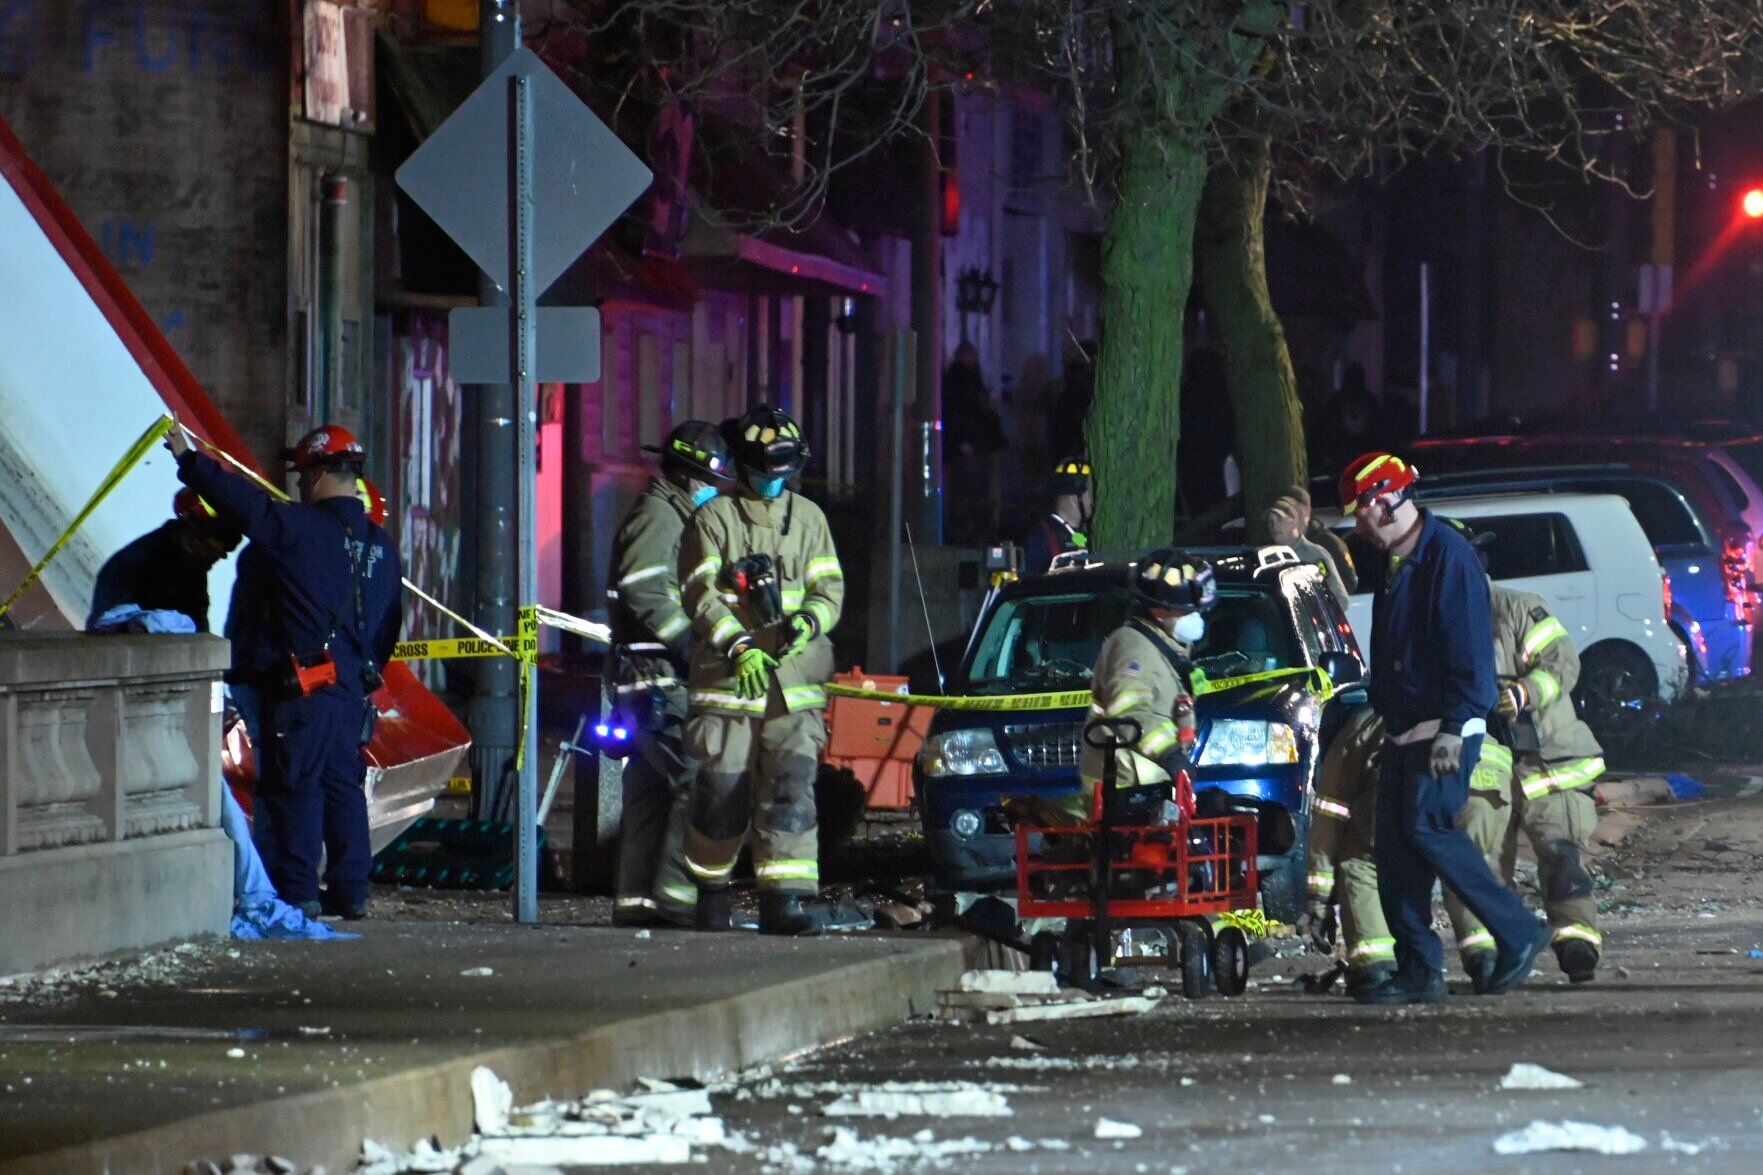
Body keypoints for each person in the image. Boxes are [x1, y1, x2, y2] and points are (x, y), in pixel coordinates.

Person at [168, 422, 403, 921]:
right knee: (344, 789)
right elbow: (388, 629)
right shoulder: (383, 548)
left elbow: (247, 505)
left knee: (295, 786)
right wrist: (359, 673)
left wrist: (191, 461)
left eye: (302, 473)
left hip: (304, 691)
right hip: (350, 692)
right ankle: (351, 891)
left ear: (318, 473)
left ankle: (297, 893)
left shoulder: (300, 530)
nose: (298, 483)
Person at [1339, 450, 1549, 1003]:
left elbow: (1470, 656)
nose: (1358, 525)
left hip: (1443, 731)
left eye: (1360, 513)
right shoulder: (1399, 561)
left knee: (1429, 830)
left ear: (1384, 502)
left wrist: (1456, 729)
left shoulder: (1447, 558)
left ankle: (1519, 929)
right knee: (1396, 852)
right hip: (1406, 730)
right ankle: (1418, 971)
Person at [679, 405, 845, 935]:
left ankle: (786, 901)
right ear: (745, 468)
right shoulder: (713, 520)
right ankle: (711, 894)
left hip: (795, 685)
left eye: (783, 475)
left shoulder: (811, 519)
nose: (774, 485)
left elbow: (830, 590)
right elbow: (699, 595)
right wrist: (740, 645)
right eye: (764, 474)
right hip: (731, 685)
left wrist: (807, 625)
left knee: (792, 790)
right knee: (721, 795)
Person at [1440, 519, 1608, 986]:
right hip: (1483, 770)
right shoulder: (1437, 625)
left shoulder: (1516, 608)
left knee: (1561, 860)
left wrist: (1526, 693)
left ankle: (1577, 945)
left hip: (1549, 762)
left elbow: (1561, 663)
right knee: (1476, 863)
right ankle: (1486, 955)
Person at [607, 420, 733, 928]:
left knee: (649, 789)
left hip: (642, 677)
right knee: (700, 778)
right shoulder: (660, 516)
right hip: (659, 674)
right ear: (686, 477)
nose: (712, 492)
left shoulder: (672, 513)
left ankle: (636, 902)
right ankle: (677, 900)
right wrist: (691, 643)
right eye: (708, 482)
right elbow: (643, 588)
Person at [1061, 550, 1215, 826]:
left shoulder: (1164, 644)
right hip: (1123, 780)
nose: (1196, 617)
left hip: (1144, 779)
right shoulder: (1134, 648)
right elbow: (1129, 711)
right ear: (1159, 609)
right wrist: (1170, 755)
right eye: (1188, 609)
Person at [1304, 707, 1397, 994]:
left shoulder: (1353, 733)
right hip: (1473, 787)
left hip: (1390, 801)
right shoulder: (1420, 706)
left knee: (1359, 862)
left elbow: (1327, 826)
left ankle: (1375, 968)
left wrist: (1319, 903)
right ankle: (1485, 954)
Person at [87, 489, 243, 632]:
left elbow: (197, 626)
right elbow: (108, 625)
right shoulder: (141, 563)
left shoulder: (190, 570)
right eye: (213, 551)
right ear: (193, 539)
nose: (221, 557)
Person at [942, 341, 1006, 543]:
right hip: (970, 447)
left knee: (973, 491)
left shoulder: (966, 381)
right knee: (969, 491)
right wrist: (963, 441)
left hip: (973, 446)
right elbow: (959, 413)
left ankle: (973, 529)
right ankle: (971, 530)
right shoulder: (961, 382)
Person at [1264, 497, 1349, 608]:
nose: (1274, 526)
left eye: (1280, 519)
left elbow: (1340, 599)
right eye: (1271, 521)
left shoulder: (1314, 555)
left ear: (1294, 520)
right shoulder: (1266, 557)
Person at [1281, 484, 1357, 593]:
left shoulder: (1329, 544)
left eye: (1293, 509)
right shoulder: (1280, 543)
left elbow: (1348, 584)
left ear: (1306, 510)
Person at [1022, 457, 1092, 576]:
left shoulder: (1089, 533)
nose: (1093, 500)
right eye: (1089, 494)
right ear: (1076, 499)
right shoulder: (1041, 539)